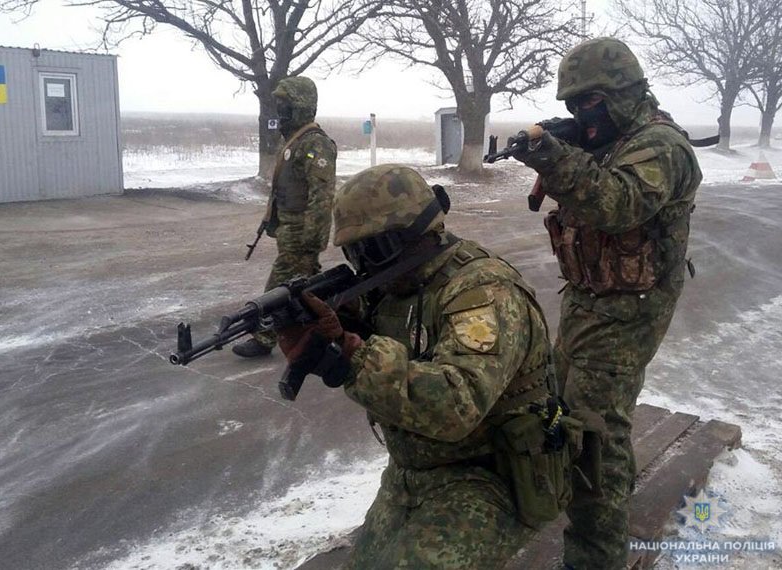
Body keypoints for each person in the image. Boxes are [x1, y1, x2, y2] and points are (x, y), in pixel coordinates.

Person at [277, 164, 559, 569]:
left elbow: (457, 404)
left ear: (416, 234)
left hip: (488, 474)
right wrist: (339, 332)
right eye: (354, 253)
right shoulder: (397, 288)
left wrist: (353, 356)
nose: (365, 265)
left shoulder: (482, 291)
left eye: (376, 251)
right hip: (413, 469)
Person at [510, 37, 702, 569]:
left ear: (623, 92)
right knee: (556, 403)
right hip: (588, 298)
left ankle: (596, 555)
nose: (581, 114)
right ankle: (592, 497)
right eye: (573, 105)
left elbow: (618, 204)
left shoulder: (660, 145)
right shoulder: (610, 139)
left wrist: (556, 157)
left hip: (631, 307)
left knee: (594, 433)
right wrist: (563, 148)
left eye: (590, 101)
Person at [232, 76, 337, 358]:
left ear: (301, 105)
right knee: (309, 287)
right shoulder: (295, 140)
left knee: (279, 287)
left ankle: (263, 337)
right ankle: (330, 326)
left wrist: (312, 238)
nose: (281, 110)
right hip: (289, 229)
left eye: (286, 104)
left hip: (302, 232)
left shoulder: (315, 144)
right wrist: (271, 219)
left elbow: (322, 195)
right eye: (279, 104)